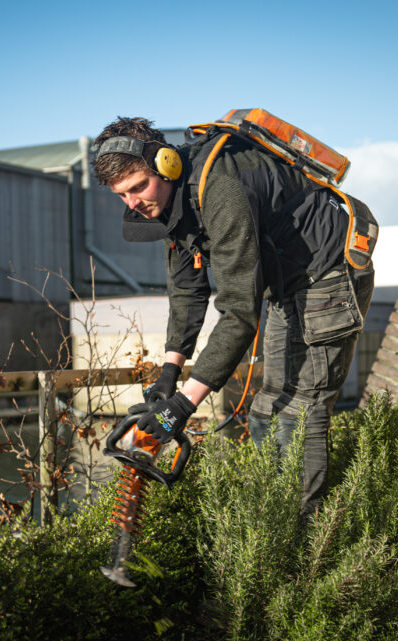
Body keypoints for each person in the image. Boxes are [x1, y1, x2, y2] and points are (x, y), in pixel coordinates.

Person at [92, 116, 374, 517]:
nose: (133, 203)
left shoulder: (220, 188)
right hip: (287, 285)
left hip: (327, 273)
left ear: (166, 164)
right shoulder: (172, 202)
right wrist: (170, 373)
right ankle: (276, 517)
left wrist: (183, 405)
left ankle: (309, 534)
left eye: (138, 187)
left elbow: (239, 310)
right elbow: (187, 289)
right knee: (267, 409)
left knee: (300, 410)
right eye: (121, 195)